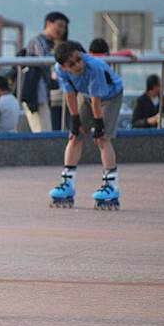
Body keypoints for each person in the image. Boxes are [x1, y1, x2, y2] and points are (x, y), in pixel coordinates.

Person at [48, 41, 124, 210]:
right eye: (72, 64)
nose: (78, 65)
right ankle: (67, 183)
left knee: (103, 138)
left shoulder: (93, 66)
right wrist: (75, 120)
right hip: (87, 95)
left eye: (78, 59)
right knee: (75, 136)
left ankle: (111, 186)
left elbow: (96, 99)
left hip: (110, 96)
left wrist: (99, 124)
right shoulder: (59, 69)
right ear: (63, 67)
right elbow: (69, 94)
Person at [22, 11, 69, 133]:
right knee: (42, 130)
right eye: (59, 25)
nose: (61, 30)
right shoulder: (39, 41)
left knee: (45, 129)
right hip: (37, 93)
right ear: (48, 23)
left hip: (42, 93)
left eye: (64, 27)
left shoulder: (48, 43)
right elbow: (47, 60)